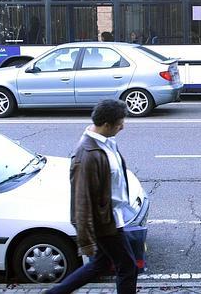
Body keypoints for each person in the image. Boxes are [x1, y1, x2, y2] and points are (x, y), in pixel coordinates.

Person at [46, 100, 138, 294]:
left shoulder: (105, 142)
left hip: (112, 216)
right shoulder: (86, 155)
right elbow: (81, 199)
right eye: (120, 123)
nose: (123, 126)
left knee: (101, 264)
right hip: (104, 222)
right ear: (106, 125)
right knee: (128, 266)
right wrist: (86, 239)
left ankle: (55, 293)